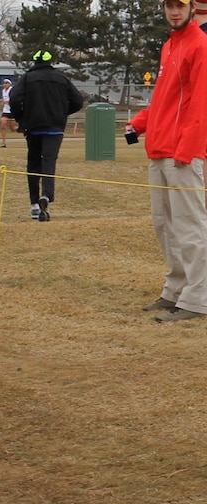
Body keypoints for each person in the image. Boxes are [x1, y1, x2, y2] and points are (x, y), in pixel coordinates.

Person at [127, 0, 207, 322]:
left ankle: (199, 298)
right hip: (159, 150)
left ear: (192, 8)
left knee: (190, 227)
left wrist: (187, 150)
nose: (174, 11)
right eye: (169, 5)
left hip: (182, 154)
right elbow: (164, 98)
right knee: (165, 226)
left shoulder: (200, 45)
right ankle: (176, 289)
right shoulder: (169, 47)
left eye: (180, 5)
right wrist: (140, 122)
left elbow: (201, 103)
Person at [9, 50, 83, 222]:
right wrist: (62, 113)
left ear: (34, 61)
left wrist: (21, 117)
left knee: (33, 162)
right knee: (49, 161)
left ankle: (34, 203)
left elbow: (14, 98)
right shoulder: (61, 78)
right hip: (55, 127)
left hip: (33, 126)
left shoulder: (27, 78)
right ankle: (47, 195)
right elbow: (78, 101)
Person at [0, 79, 16, 147]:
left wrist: (7, 102)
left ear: (10, 84)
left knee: (12, 129)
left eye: (6, 83)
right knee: (3, 126)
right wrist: (1, 100)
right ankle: (3, 143)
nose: (5, 84)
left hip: (12, 111)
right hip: (5, 111)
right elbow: (3, 99)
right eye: (4, 83)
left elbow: (14, 100)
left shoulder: (12, 90)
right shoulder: (3, 91)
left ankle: (23, 129)